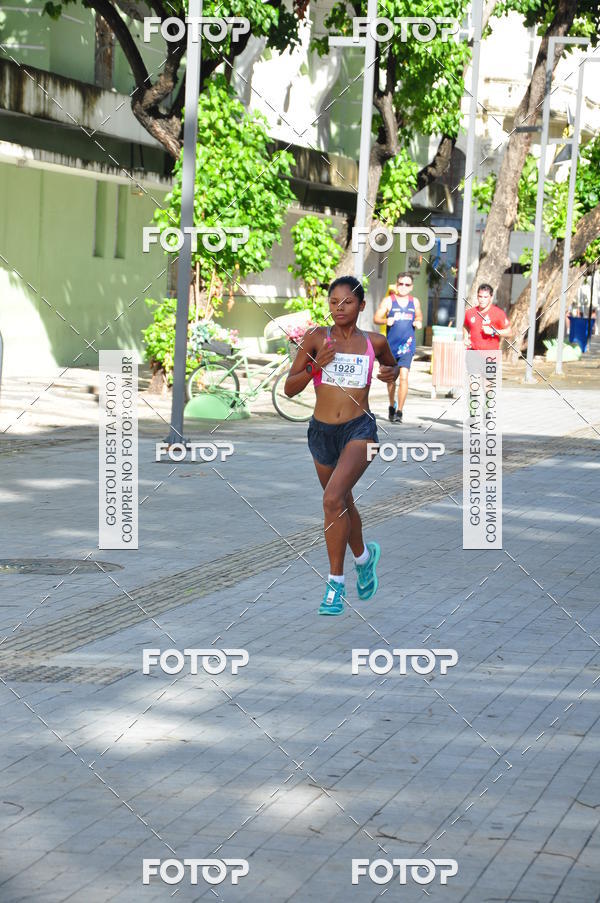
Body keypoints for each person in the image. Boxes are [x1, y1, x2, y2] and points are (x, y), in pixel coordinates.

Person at [284, 276, 399, 616]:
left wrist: (391, 374)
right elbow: (289, 388)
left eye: (347, 302)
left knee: (332, 499)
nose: (339, 308)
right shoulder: (316, 338)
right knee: (342, 502)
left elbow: (391, 365)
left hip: (359, 430)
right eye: (333, 302)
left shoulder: (375, 342)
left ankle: (335, 583)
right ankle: (364, 558)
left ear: (361, 305)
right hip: (321, 433)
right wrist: (315, 366)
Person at [373, 272, 423, 422]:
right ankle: (391, 405)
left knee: (404, 377)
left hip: (407, 346)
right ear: (396, 285)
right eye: (401, 284)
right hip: (390, 347)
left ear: (411, 287)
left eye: (407, 284)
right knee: (391, 380)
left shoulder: (414, 302)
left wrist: (418, 321)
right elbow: (376, 318)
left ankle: (400, 411)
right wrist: (385, 320)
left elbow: (419, 315)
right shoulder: (389, 301)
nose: (403, 287)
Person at [464, 284, 512, 350]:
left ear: (491, 298)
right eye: (480, 296)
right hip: (472, 351)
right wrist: (466, 338)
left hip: (490, 353)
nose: (482, 300)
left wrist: (493, 331)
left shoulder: (498, 313)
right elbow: (465, 325)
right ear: (477, 297)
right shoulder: (470, 312)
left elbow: (509, 333)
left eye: (485, 297)